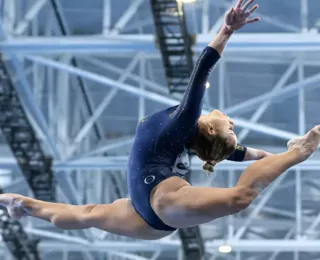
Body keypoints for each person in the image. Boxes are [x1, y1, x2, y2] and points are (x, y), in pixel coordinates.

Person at [1, 0, 320, 241]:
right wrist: (269, 156)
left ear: (210, 128)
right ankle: (23, 205)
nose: (232, 122)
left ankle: (302, 150)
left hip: (161, 202)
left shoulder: (186, 121)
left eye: (231, 128)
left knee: (240, 197)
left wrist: (227, 30)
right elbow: (241, 154)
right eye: (234, 130)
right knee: (85, 215)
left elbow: (202, 70)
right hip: (148, 217)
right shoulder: (186, 139)